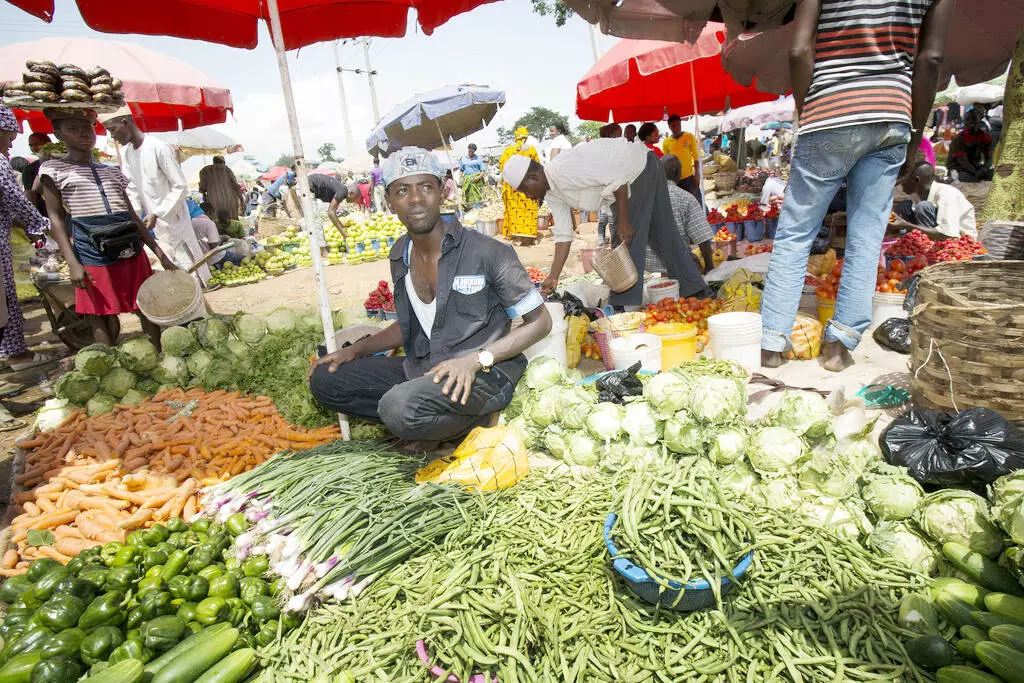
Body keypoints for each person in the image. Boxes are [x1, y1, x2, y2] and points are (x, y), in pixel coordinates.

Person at [308, 147, 551, 447]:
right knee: (325, 380)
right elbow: (408, 325)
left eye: (426, 187)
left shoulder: (488, 252)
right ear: (389, 201)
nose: (416, 199)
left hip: (485, 374)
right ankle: (437, 422)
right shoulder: (400, 254)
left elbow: (540, 322)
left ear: (443, 191)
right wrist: (355, 351)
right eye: (403, 190)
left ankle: (467, 421)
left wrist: (477, 360)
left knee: (398, 407)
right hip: (426, 369)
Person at [759, 0, 953, 373]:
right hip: (891, 116)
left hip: (828, 110)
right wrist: (914, 137)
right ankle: (838, 347)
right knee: (867, 237)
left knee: (796, 232)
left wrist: (810, 111)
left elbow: (800, 50)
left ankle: (771, 345)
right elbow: (930, 60)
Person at [502, 139, 708, 304]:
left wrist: (624, 222)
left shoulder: (564, 170)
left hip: (638, 170)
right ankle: (696, 290)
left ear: (533, 176)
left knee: (626, 246)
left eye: (524, 190)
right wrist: (553, 277)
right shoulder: (551, 193)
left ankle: (622, 308)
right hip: (641, 171)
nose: (528, 197)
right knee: (663, 234)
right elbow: (564, 236)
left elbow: (618, 181)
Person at [37, 108, 178, 348]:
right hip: (92, 251)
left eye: (88, 128)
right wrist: (72, 262)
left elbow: (132, 216)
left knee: (147, 305)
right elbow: (55, 218)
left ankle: (158, 356)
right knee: (99, 314)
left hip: (130, 246)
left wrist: (159, 252)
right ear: (59, 135)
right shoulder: (53, 171)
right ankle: (109, 363)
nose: (84, 133)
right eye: (73, 129)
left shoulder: (112, 171)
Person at [99, 107, 212, 284]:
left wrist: (157, 213)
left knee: (190, 273)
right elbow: (132, 190)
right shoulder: (128, 153)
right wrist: (134, 219)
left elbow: (180, 186)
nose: (113, 136)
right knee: (173, 276)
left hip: (175, 222)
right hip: (155, 228)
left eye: (112, 129)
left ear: (125, 122)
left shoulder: (158, 148)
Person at [0, 106, 54, 370]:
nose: (12, 143)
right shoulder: (0, 163)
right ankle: (16, 355)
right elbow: (16, 201)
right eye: (10, 136)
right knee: (6, 301)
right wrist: (40, 225)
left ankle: (11, 352)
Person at [647, 155, 714, 275]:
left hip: (646, 267)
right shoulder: (686, 198)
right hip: (677, 264)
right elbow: (702, 236)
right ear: (678, 173)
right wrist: (709, 267)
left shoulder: (645, 197)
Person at [895, 161, 977, 238]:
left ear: (915, 180)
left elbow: (948, 235)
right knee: (904, 206)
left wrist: (905, 225)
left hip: (958, 242)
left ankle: (924, 246)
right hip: (940, 237)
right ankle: (915, 244)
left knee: (923, 206)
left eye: (904, 178)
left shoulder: (947, 194)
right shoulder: (915, 196)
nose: (900, 183)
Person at [498, 127, 541, 239]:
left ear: (516, 137)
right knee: (529, 209)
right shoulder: (531, 150)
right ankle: (530, 235)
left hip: (513, 186)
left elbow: (502, 166)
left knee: (515, 210)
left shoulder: (508, 150)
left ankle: (516, 236)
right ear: (526, 138)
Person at [662, 114, 701, 201]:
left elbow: (696, 156)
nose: (676, 128)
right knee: (680, 202)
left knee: (697, 200)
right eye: (673, 126)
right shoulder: (666, 142)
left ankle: (706, 214)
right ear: (669, 127)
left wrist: (697, 174)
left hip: (689, 178)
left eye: (678, 125)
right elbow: (665, 162)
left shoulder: (689, 136)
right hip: (674, 180)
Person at [947, 109, 994, 182]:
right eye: (968, 119)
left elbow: (989, 157)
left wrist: (985, 168)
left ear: (978, 121)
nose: (970, 122)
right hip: (958, 168)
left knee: (994, 174)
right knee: (967, 178)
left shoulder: (985, 136)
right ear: (964, 121)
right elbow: (962, 161)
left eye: (974, 119)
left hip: (976, 166)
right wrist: (976, 173)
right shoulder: (959, 138)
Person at [198, 156, 245, 222]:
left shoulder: (204, 170)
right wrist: (242, 200)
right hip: (230, 202)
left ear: (214, 161)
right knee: (232, 223)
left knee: (217, 224)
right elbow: (236, 186)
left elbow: (202, 188)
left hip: (214, 202)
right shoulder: (227, 169)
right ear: (223, 162)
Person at [303, 171, 349, 236]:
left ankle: (318, 241)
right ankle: (319, 243)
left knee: (314, 219)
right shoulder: (342, 192)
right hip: (307, 188)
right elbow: (330, 213)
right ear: (351, 194)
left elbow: (333, 212)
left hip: (308, 185)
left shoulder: (341, 190)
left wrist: (342, 226)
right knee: (315, 220)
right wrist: (343, 233)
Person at [22, 132, 52, 214]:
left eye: (36, 144)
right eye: (30, 145)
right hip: (45, 213)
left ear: (49, 144)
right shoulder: (29, 169)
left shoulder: (62, 163)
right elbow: (31, 194)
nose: (33, 148)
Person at [459, 143, 487, 208]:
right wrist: (460, 178)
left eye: (472, 151)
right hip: (467, 181)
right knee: (468, 196)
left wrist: (477, 178)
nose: (470, 152)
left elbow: (483, 171)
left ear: (474, 151)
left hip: (476, 181)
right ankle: (470, 208)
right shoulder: (463, 159)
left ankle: (479, 209)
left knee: (477, 195)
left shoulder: (478, 159)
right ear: (468, 149)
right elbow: (461, 170)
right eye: (469, 151)